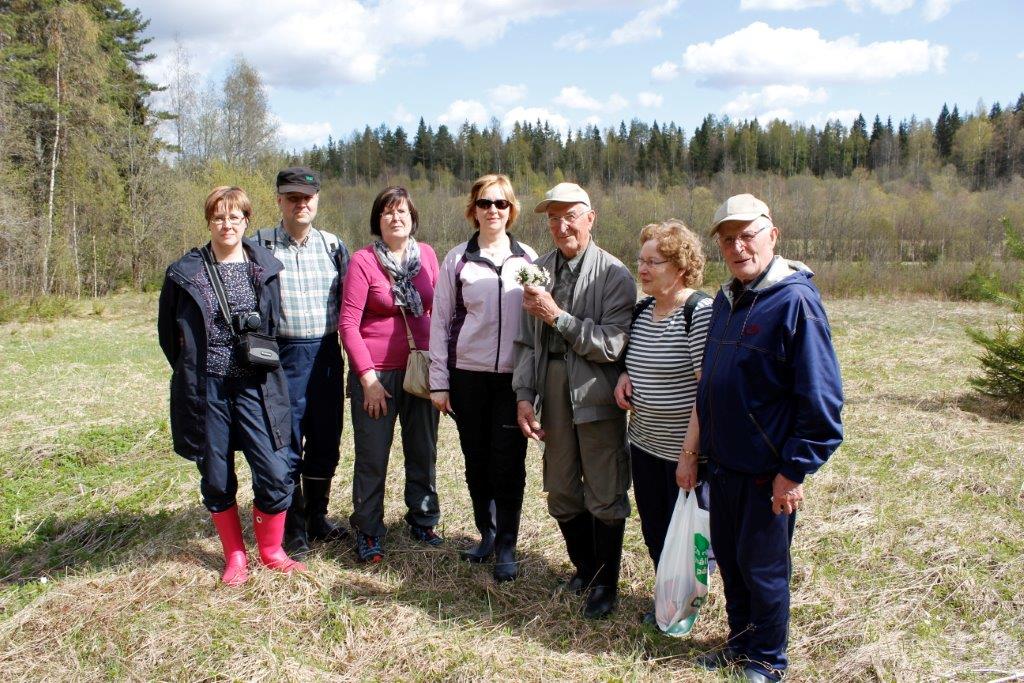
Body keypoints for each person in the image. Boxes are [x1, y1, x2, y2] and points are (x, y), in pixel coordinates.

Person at [694, 194, 843, 682]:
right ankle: (739, 644)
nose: (737, 247)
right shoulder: (726, 299)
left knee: (764, 571)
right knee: (732, 565)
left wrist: (792, 472)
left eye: (747, 235)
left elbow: (822, 401)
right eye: (727, 239)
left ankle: (767, 660)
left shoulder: (794, 302)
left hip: (766, 473)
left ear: (772, 235)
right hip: (723, 466)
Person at [157, 186, 305, 586]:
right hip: (208, 388)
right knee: (217, 476)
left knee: (275, 470)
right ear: (209, 222)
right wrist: (194, 370)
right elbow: (170, 337)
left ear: (246, 221)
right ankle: (235, 556)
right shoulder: (185, 273)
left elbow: (272, 325)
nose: (227, 224)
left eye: (234, 217)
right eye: (219, 217)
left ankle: (271, 551)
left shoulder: (265, 268)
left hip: (257, 384)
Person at [512, 182, 635, 618]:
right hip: (551, 386)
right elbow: (526, 342)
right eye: (553, 218)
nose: (561, 226)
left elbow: (612, 345)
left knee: (604, 490)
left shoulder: (614, 274)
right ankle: (585, 567)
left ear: (590, 218)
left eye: (570, 216)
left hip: (597, 390)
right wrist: (524, 395)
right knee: (561, 489)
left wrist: (558, 317)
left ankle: (605, 584)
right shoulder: (537, 270)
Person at [429, 174, 538, 582]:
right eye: (485, 203)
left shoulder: (529, 260)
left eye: (501, 203)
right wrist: (439, 380)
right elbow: (440, 322)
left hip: (513, 379)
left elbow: (538, 323)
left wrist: (535, 381)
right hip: (467, 377)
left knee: (508, 462)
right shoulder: (457, 259)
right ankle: (487, 534)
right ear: (473, 210)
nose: (493, 210)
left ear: (511, 210)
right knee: (476, 460)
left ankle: (507, 544)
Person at [612, 219, 713, 623]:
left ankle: (684, 606)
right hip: (643, 444)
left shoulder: (698, 313)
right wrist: (624, 375)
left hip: (681, 452)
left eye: (653, 262)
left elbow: (705, 392)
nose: (642, 269)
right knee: (656, 530)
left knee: (687, 535)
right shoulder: (641, 311)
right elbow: (633, 360)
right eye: (640, 260)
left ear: (681, 266)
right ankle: (667, 597)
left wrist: (689, 455)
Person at [339, 186, 442, 563]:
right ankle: (368, 530)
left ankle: (423, 519)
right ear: (377, 220)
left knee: (423, 449)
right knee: (372, 455)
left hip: (421, 370)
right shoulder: (363, 261)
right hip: (376, 375)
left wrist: (443, 368)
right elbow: (348, 324)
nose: (395, 218)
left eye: (402, 211)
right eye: (387, 212)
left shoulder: (427, 255)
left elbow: (439, 312)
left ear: (413, 218)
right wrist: (367, 379)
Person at [256, 167, 350, 559]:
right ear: (279, 200)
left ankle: (317, 518)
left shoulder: (333, 247)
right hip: (280, 359)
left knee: (326, 440)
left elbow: (351, 308)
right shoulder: (258, 246)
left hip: (327, 355)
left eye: (307, 197)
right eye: (292, 197)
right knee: (286, 442)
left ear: (317, 200)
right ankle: (292, 529)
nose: (301, 204)